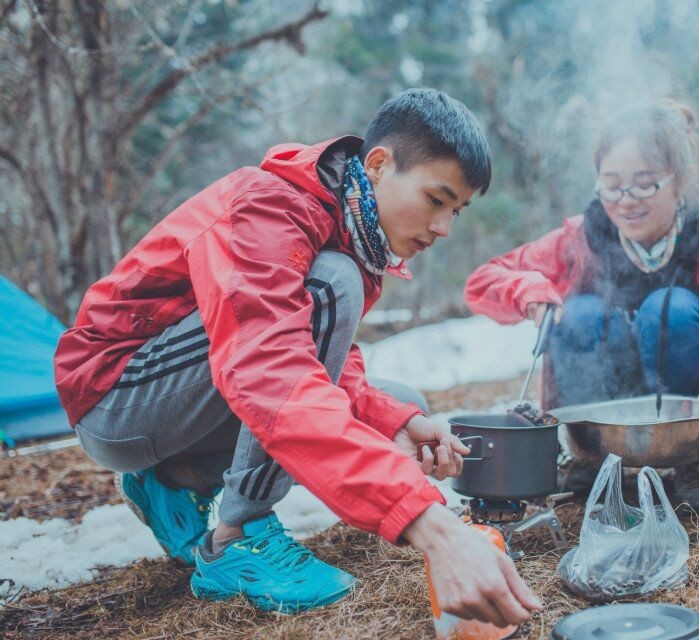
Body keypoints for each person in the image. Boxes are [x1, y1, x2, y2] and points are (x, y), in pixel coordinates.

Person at [54, 88, 541, 625]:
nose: (444, 228)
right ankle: (239, 536)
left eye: (457, 211)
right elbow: (271, 372)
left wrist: (395, 422)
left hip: (182, 394)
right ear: (378, 165)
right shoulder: (269, 209)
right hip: (114, 396)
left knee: (401, 404)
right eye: (436, 200)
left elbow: (315, 359)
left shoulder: (349, 230)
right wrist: (431, 525)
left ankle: (175, 479)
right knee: (333, 286)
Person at [464, 99, 699, 515]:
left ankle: (695, 463)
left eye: (644, 183)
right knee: (579, 315)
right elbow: (483, 282)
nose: (626, 201)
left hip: (692, 412)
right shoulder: (583, 238)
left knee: (670, 310)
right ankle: (592, 459)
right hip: (605, 410)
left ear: (681, 180)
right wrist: (527, 289)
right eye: (612, 185)